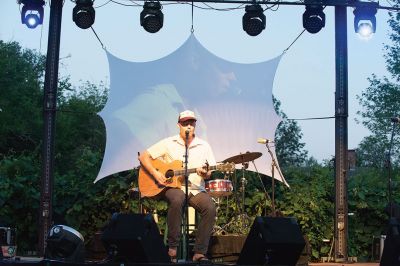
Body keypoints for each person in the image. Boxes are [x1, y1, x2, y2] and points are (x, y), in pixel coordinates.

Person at [138, 110, 216, 262]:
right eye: (185, 123)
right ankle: (172, 248)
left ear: (195, 125)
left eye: (191, 123)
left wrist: (205, 174)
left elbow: (209, 173)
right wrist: (156, 174)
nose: (188, 126)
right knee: (178, 198)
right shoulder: (169, 142)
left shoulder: (204, 145)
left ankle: (199, 252)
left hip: (195, 189)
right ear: (179, 125)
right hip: (173, 188)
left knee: (210, 208)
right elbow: (144, 156)